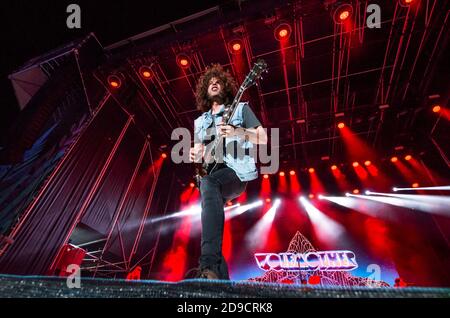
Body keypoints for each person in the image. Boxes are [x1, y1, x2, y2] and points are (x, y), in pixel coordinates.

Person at [189, 64, 267, 280]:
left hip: (235, 174)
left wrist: (238, 131)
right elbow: (199, 154)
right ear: (205, 91)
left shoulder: (241, 109)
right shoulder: (200, 122)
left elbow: (263, 138)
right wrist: (196, 153)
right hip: (212, 176)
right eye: (210, 82)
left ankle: (208, 266)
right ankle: (219, 277)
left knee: (209, 184)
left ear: (226, 87)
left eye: (218, 81)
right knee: (210, 219)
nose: (214, 83)